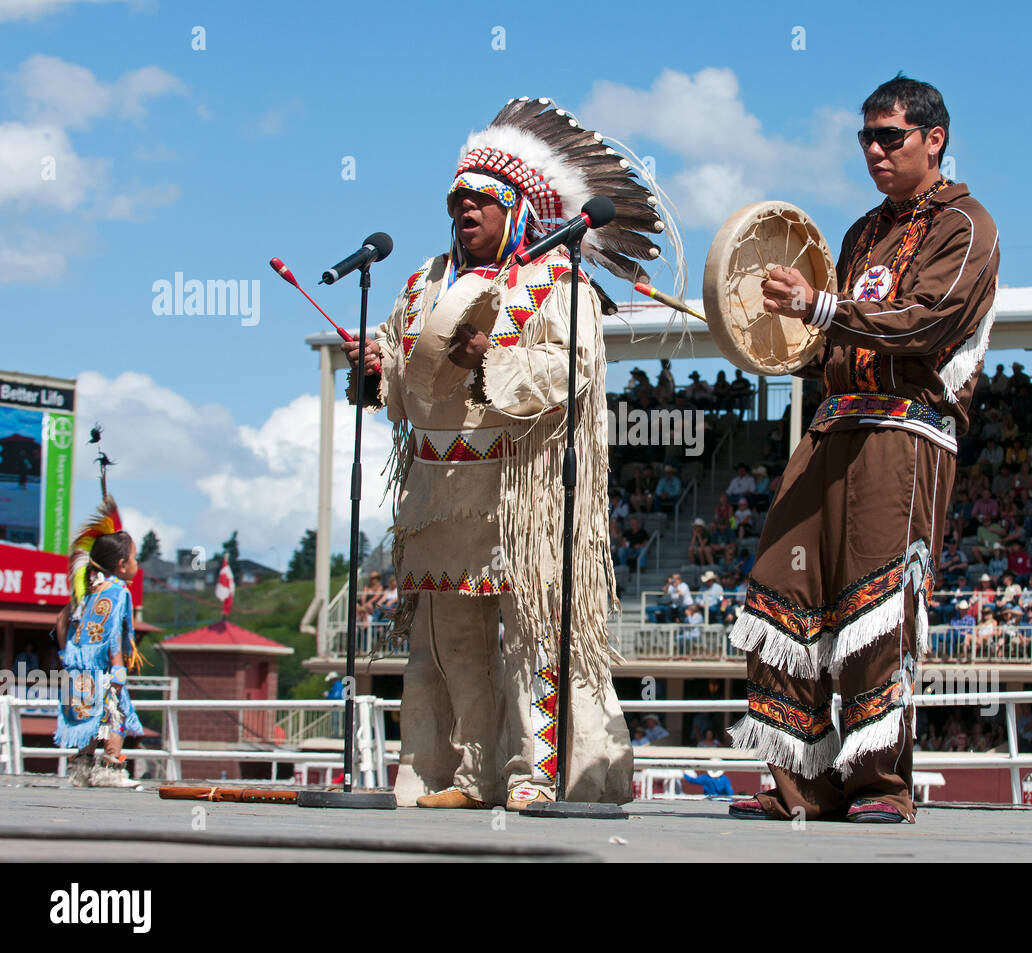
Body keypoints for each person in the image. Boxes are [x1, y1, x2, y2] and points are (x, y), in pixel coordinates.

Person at [341, 99, 671, 810]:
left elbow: (571, 373)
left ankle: (538, 777)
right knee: (447, 647)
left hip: (522, 496)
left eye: (481, 201)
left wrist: (491, 356)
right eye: (456, 200)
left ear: (516, 207)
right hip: (440, 497)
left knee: (534, 648)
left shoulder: (557, 280)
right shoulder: (422, 284)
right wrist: (374, 371)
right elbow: (408, 390)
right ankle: (463, 774)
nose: (465, 211)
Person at [727, 77, 998, 825]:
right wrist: (768, 327)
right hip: (833, 422)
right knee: (781, 591)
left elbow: (925, 323)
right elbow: (828, 339)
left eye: (890, 137)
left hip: (905, 428)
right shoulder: (855, 234)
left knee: (879, 600)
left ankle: (878, 783)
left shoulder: (968, 225)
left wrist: (818, 306)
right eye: (865, 138)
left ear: (933, 139)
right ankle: (800, 781)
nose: (874, 150)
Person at [55, 497, 144, 788]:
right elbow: (112, 634)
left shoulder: (88, 590)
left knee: (89, 721)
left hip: (76, 668)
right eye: (134, 557)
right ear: (121, 565)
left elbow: (61, 623)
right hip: (104, 669)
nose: (137, 563)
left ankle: (81, 770)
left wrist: (67, 655)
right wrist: (118, 667)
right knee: (114, 716)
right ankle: (110, 768)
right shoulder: (118, 591)